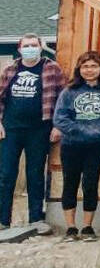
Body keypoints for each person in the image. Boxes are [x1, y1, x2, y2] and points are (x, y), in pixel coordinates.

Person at [0, 33, 65, 235]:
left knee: (35, 174)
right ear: (19, 49)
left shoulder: (52, 68)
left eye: (34, 45)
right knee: (6, 175)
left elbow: (64, 99)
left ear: (40, 47)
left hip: (40, 129)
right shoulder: (10, 69)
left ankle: (36, 219)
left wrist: (58, 126)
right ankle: (3, 220)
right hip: (10, 129)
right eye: (26, 45)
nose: (30, 48)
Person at [53, 51, 100, 242]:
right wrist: (81, 130)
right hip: (72, 144)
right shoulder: (69, 91)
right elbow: (60, 118)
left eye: (93, 66)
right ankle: (71, 227)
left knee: (90, 184)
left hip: (96, 146)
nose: (89, 70)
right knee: (70, 183)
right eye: (85, 66)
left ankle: (88, 227)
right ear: (79, 69)